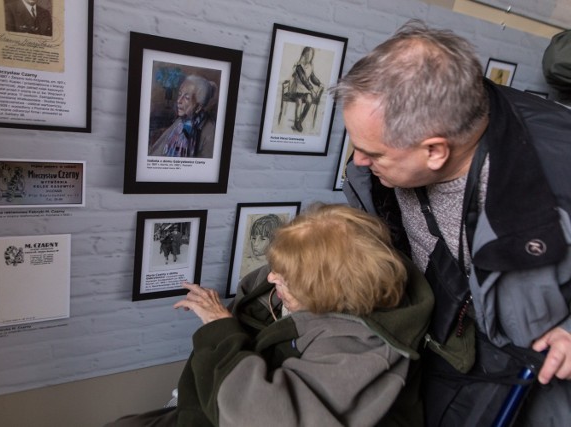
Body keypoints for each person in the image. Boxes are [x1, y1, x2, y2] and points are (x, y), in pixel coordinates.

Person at [332, 20, 571, 426]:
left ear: (435, 152)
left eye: (372, 152)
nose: (358, 162)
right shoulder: (392, 154)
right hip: (444, 348)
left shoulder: (559, 172)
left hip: (537, 382)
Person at [104, 204, 434, 427]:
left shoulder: (360, 348)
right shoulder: (273, 286)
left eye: (285, 277)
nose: (272, 277)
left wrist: (221, 329)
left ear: (331, 292)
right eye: (276, 267)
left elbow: (257, 416)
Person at [149, 74, 217, 158]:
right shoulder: (180, 122)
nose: (178, 101)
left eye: (186, 97)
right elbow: (157, 151)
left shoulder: (209, 130)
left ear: (199, 107)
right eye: (179, 94)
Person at [286, 47, 324, 132]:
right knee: (299, 102)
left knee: (309, 100)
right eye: (307, 54)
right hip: (296, 89)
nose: (309, 57)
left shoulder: (310, 66)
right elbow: (304, 79)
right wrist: (311, 90)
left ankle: (299, 121)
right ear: (304, 54)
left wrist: (318, 83)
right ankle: (297, 121)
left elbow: (313, 77)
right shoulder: (299, 65)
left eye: (311, 55)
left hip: (305, 90)